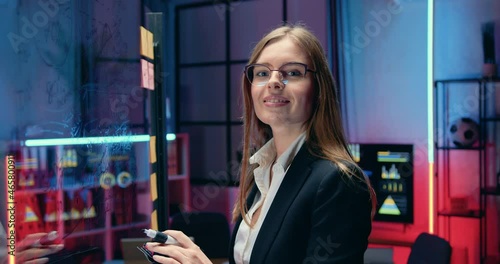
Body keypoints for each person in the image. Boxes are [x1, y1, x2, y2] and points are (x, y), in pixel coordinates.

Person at [146, 23, 376, 264]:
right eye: (263, 73)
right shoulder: (263, 170)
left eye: (293, 72)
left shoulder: (339, 181)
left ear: (319, 89)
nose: (274, 82)